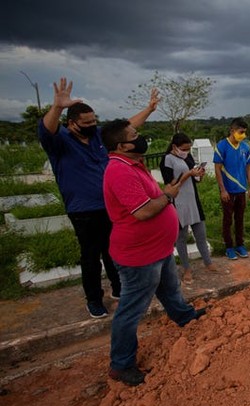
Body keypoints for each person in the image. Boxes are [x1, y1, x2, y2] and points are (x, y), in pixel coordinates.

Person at [38, 77, 160, 319]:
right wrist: (57, 107)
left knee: (113, 250)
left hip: (111, 206)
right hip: (83, 210)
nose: (92, 125)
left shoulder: (97, 138)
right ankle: (94, 299)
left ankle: (118, 289)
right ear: (72, 124)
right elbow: (47, 129)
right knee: (91, 255)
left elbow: (127, 127)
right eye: (87, 122)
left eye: (94, 120)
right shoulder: (60, 141)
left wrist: (149, 109)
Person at [101, 119, 205, 386]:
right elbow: (144, 211)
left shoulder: (132, 165)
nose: (140, 137)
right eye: (135, 135)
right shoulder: (119, 171)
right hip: (139, 256)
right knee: (131, 309)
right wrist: (168, 195)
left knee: (170, 289)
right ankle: (121, 364)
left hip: (158, 249)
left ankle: (185, 317)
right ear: (121, 145)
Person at [159, 133, 218, 284]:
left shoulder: (188, 157)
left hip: (193, 200)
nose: (186, 152)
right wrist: (188, 174)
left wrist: (199, 175)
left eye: (188, 149)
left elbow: (194, 179)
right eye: (184, 149)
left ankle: (208, 262)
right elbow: (170, 184)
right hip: (178, 202)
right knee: (181, 238)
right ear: (174, 147)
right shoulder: (167, 160)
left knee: (201, 234)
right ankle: (186, 268)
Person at [213, 117, 250, 260]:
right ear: (232, 130)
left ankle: (240, 245)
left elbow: (249, 168)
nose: (242, 135)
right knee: (227, 219)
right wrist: (223, 190)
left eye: (244, 132)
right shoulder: (222, 146)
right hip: (228, 190)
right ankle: (229, 247)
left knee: (240, 218)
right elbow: (217, 169)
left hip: (241, 189)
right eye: (240, 132)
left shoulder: (245, 147)